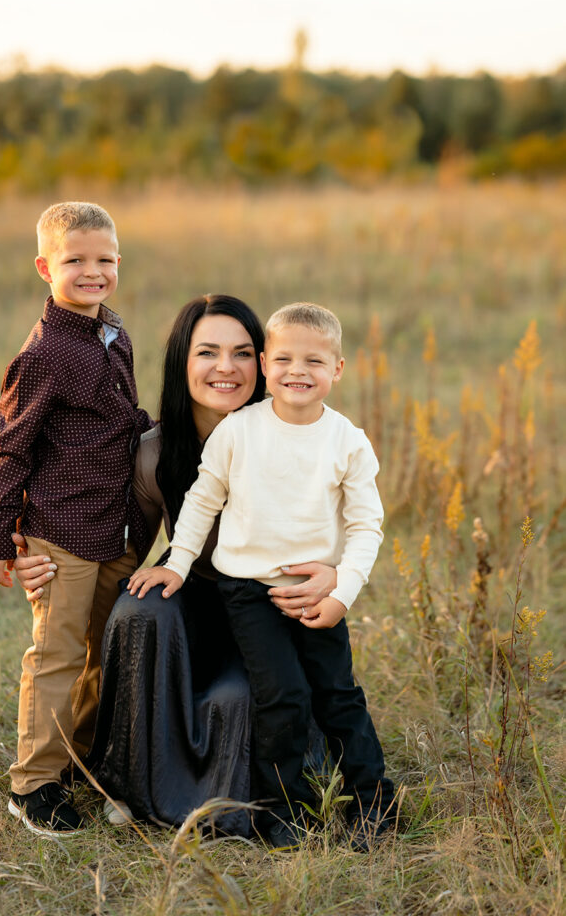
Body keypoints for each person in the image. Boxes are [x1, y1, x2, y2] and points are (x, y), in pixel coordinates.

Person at [14, 295, 340, 837]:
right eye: (206, 352)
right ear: (181, 363)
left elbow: (344, 529)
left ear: (263, 363)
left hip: (267, 607)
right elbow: (116, 552)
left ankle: (234, 801)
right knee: (137, 610)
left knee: (234, 702)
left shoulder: (302, 437)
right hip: (193, 594)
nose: (225, 368)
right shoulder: (155, 452)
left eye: (241, 353)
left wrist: (332, 573)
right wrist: (42, 566)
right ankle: (128, 782)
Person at [130, 302, 395, 850]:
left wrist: (343, 590)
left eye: (315, 361)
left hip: (315, 593)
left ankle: (373, 803)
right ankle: (284, 812)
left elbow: (367, 525)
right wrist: (176, 564)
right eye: (285, 359)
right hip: (248, 592)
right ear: (266, 367)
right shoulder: (239, 431)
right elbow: (203, 500)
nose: (299, 371)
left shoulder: (348, 441)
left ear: (338, 369)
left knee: (340, 697)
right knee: (283, 696)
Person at [0, 201, 152, 837]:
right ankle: (33, 784)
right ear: (44, 266)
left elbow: (123, 420)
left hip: (117, 529)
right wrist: (2, 537)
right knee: (55, 655)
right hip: (61, 533)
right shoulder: (45, 352)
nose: (93, 272)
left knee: (104, 653)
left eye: (105, 259)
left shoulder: (114, 332)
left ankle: (79, 761)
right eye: (76, 260)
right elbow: (13, 446)